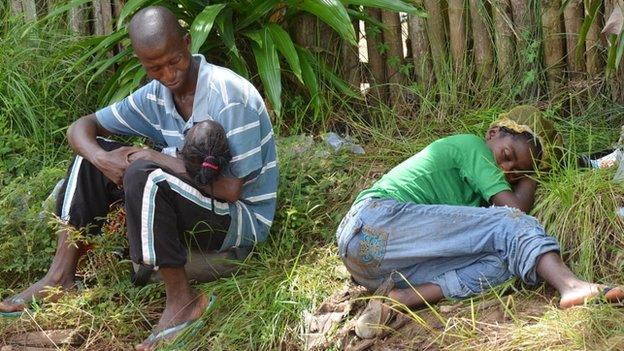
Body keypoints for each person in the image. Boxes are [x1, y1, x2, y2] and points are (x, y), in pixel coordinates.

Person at [0, 6, 278, 350]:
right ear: (141, 63)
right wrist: (102, 157)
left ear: (187, 43)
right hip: (198, 205)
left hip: (240, 222)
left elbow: (232, 190)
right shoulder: (154, 96)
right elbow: (81, 127)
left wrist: (152, 157)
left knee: (146, 171)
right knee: (93, 155)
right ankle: (61, 275)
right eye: (154, 67)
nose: (169, 74)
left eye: (174, 61)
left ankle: (182, 302)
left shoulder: (229, 96)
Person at [335, 105, 624, 339]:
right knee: (508, 222)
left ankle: (398, 300)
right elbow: (516, 212)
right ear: (493, 132)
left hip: (374, 269)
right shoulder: (472, 146)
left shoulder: (474, 204)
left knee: (503, 262)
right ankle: (571, 286)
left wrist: (530, 172)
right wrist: (532, 176)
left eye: (515, 174)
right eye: (507, 155)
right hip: (374, 221)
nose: (505, 169)